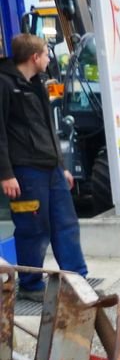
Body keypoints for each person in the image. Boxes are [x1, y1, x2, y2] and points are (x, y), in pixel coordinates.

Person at [0, 33, 88, 301]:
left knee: (66, 224)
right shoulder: (4, 85)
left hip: (50, 170)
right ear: (34, 57)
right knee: (33, 228)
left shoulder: (37, 84)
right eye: (46, 54)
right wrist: (6, 174)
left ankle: (77, 280)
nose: (49, 59)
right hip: (25, 172)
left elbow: (48, 128)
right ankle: (30, 284)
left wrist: (61, 166)